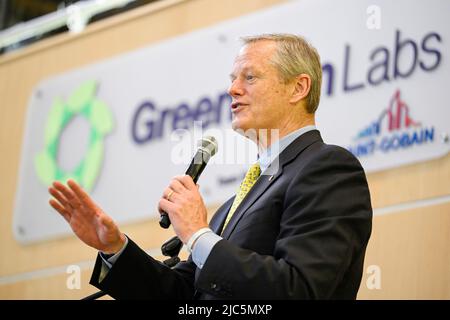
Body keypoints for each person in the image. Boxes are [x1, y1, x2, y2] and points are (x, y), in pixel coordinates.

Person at [48, 34, 372, 299]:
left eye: (250, 77)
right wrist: (115, 248)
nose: (232, 89)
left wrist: (197, 234)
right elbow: (185, 299)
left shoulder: (328, 168)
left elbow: (300, 289)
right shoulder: (231, 208)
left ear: (299, 88)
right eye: (233, 80)